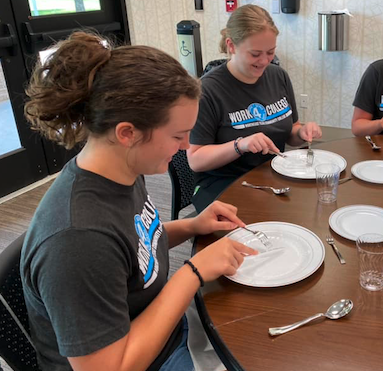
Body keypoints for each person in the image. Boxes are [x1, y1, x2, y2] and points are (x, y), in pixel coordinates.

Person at [21, 32, 256, 371]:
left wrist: (192, 226)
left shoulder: (124, 170)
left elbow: (137, 246)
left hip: (164, 330)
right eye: (177, 136)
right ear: (127, 133)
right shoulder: (77, 240)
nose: (186, 145)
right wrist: (192, 272)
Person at [188, 4, 322, 211]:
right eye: (255, 54)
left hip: (270, 175)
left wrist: (302, 132)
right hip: (223, 183)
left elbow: (291, 132)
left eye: (270, 52)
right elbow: (195, 159)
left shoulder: (279, 76)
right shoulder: (208, 90)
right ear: (231, 46)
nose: (264, 61)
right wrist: (239, 145)